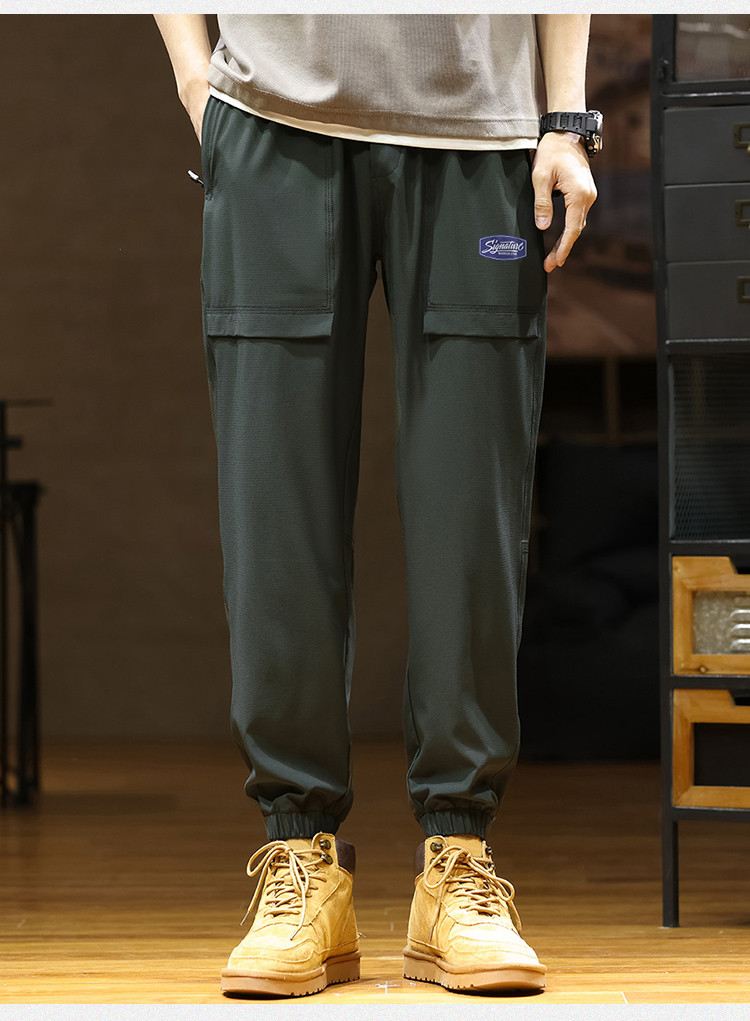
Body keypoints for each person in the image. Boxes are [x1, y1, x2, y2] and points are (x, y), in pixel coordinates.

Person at [154, 13, 598, 999]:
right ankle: (299, 856)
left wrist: (566, 119)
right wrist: (195, 82)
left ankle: (458, 860)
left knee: (472, 513)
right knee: (276, 507)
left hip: (482, 144)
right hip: (271, 127)